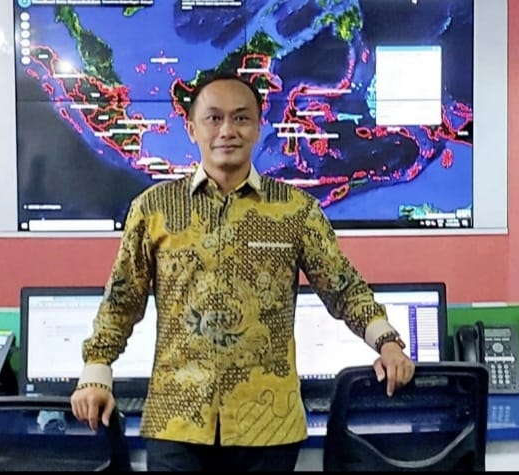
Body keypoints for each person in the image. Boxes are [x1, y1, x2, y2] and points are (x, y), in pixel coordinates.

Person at [70, 71, 415, 471]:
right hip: (177, 422)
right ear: (192, 128)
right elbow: (122, 300)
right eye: (214, 118)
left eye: (241, 118)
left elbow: (343, 288)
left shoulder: (295, 210)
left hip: (267, 426)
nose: (227, 131)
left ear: (258, 126)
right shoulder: (154, 208)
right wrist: (96, 373)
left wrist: (388, 344)